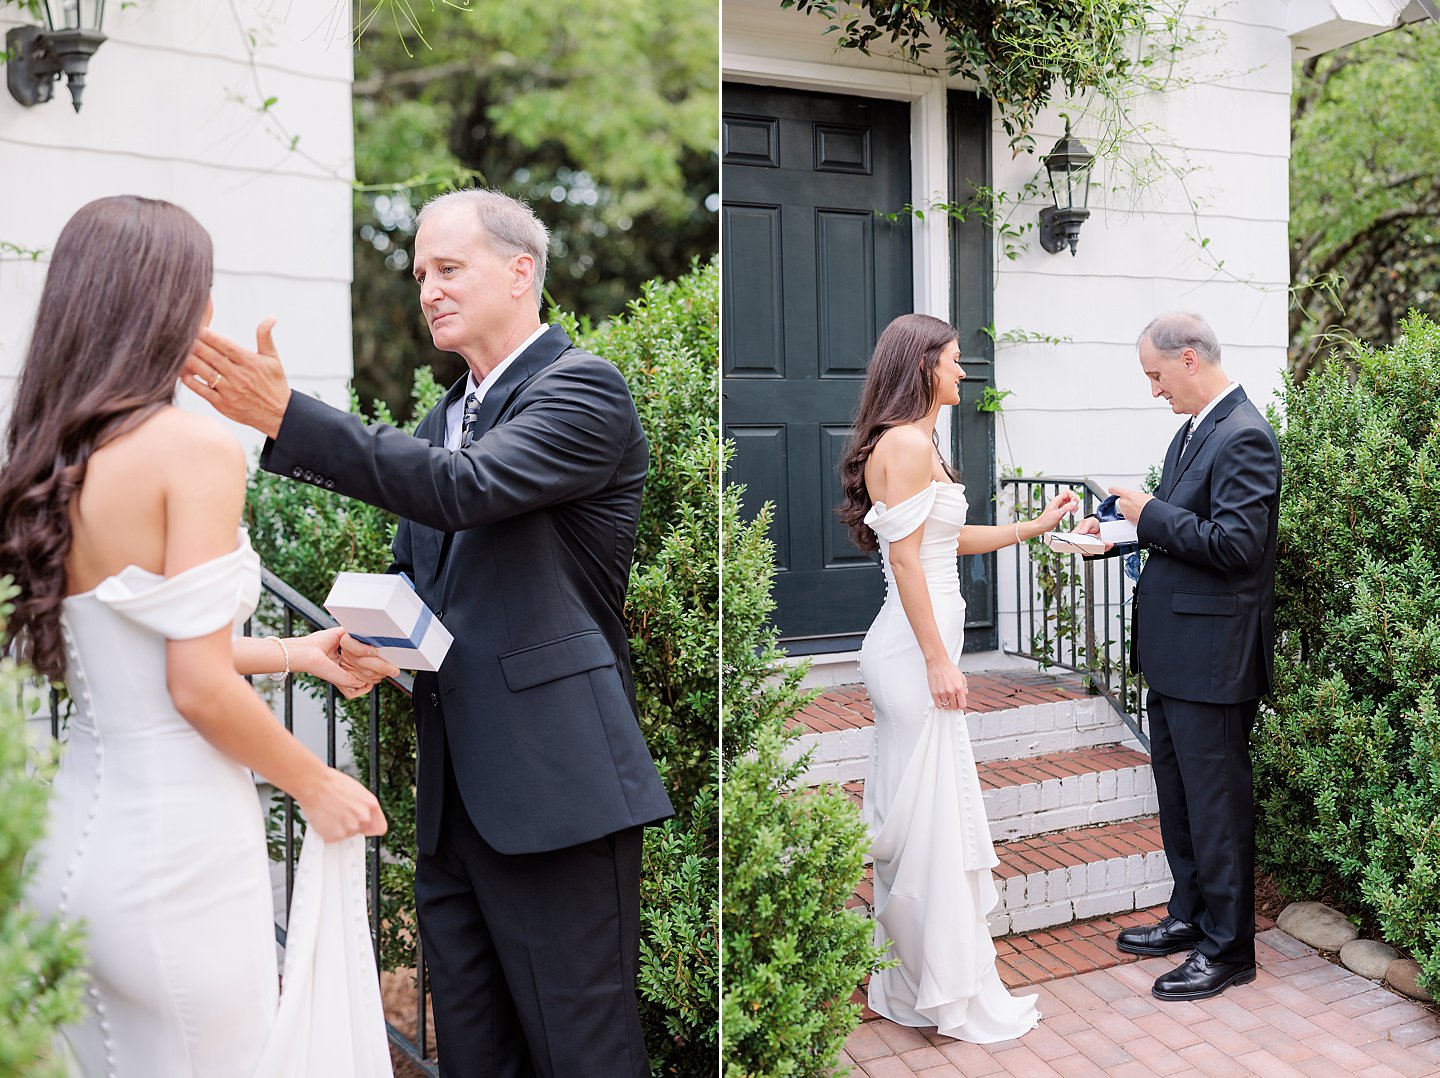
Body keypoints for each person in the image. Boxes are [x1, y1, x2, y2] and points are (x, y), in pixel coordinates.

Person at [184, 188, 675, 1077]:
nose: (429, 290)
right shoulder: (442, 418)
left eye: (449, 268)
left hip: (558, 793)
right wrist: (377, 634)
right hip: (455, 811)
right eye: (420, 274)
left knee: (583, 1054)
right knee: (476, 1058)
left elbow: (463, 491)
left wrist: (288, 417)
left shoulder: (583, 391)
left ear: (522, 272)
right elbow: (431, 572)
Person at [1, 196, 392, 1076]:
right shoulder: (194, 451)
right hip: (180, 857)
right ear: (176, 308)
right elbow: (196, 687)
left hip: (72, 856)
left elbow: (137, 645)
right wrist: (315, 782)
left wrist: (297, 652)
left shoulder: (49, 456)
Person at [835, 313, 1076, 1041]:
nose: (962, 372)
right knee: (929, 823)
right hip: (913, 651)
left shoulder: (917, 442)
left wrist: (1033, 528)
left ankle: (924, 983)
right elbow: (905, 561)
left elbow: (947, 538)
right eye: (953, 360)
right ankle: (937, 989)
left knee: (932, 819)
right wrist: (942, 659)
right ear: (921, 368)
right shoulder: (906, 444)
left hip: (919, 643)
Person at [1075, 311, 1280, 1001]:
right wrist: (1118, 536)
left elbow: (1236, 546)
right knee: (1180, 800)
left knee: (1217, 809)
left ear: (1189, 360)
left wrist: (1148, 514)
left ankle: (1230, 950)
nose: (1154, 391)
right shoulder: (1190, 432)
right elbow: (1184, 532)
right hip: (1172, 653)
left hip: (1215, 659)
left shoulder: (1246, 435)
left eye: (1156, 376)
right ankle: (1191, 917)